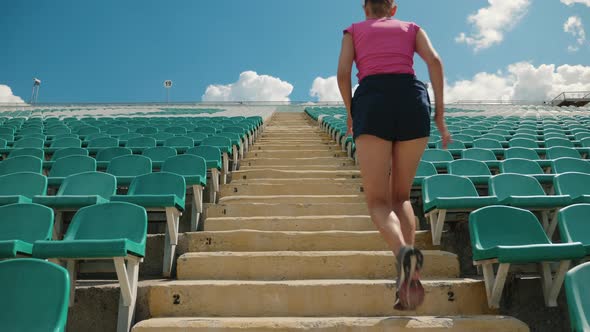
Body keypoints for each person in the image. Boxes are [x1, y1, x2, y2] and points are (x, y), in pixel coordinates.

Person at [337, 0, 451, 310]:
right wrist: (439, 115)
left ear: (365, 8)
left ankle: (402, 251)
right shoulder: (411, 28)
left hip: (373, 99)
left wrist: (350, 112)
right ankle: (410, 266)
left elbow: (343, 72)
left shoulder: (353, 31)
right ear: (393, 8)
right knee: (400, 196)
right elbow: (435, 62)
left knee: (377, 201)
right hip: (413, 99)